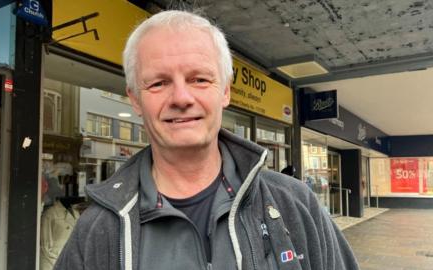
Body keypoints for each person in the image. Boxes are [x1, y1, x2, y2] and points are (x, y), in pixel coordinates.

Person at [54, 10, 359, 270]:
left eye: (199, 79)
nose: (182, 98)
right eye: (159, 83)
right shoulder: (96, 232)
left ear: (225, 90)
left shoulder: (294, 204)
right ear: (135, 99)